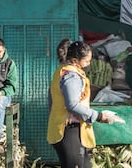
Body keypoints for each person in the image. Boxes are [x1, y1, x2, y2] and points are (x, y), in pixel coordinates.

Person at [47, 40, 125, 168]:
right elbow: (72, 105)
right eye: (87, 61)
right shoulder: (72, 76)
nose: (89, 64)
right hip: (68, 129)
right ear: (76, 59)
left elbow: (52, 100)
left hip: (66, 128)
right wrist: (99, 116)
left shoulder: (61, 71)